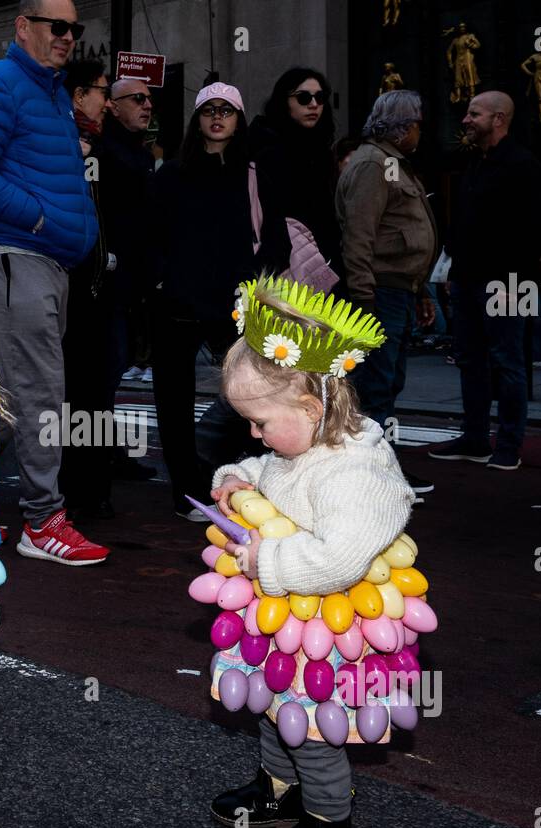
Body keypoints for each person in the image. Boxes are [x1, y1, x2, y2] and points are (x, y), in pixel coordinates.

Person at [207, 276, 414, 828]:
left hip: (336, 628)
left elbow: (339, 557)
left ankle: (330, 827)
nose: (255, 435)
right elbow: (265, 467)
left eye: (260, 423)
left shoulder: (356, 475)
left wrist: (263, 560)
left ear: (310, 408)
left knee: (317, 729)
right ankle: (280, 791)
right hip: (289, 617)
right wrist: (234, 477)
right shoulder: (295, 447)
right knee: (275, 705)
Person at [0, 0, 108, 566]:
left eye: (75, 28)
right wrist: (41, 217)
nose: (68, 37)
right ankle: (42, 519)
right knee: (41, 392)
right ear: (24, 27)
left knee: (19, 391)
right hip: (19, 254)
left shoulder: (50, 92)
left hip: (46, 262)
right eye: (57, 27)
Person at [147, 82, 285, 521]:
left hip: (239, 305)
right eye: (209, 109)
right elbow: (153, 239)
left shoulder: (254, 172)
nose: (218, 117)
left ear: (239, 118)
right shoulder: (171, 173)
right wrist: (164, 283)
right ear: (197, 119)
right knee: (174, 401)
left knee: (254, 393)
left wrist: (254, 288)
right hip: (179, 306)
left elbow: (276, 240)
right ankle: (186, 491)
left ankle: (246, 480)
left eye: (227, 110)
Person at [427, 91, 541, 472]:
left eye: (474, 114)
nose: (465, 120)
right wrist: (452, 272)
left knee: (508, 362)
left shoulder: (522, 164)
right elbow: (464, 222)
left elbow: (534, 230)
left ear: (498, 119)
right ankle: (476, 437)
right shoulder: (474, 163)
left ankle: (509, 444)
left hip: (506, 283)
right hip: (467, 280)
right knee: (471, 361)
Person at [335, 90, 438, 499]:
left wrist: (421, 289)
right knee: (375, 386)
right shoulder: (373, 165)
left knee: (386, 383)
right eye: (415, 124)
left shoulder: (389, 163)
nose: (418, 132)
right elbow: (358, 240)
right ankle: (368, 475)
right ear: (400, 126)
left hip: (397, 292)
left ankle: (376, 467)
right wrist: (364, 300)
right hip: (379, 296)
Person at [57, 59, 115, 520]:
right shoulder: (64, 142)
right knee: (74, 389)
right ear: (78, 95)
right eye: (101, 90)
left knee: (93, 389)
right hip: (71, 282)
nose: (107, 100)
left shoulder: (102, 142)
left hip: (96, 285)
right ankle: (74, 489)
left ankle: (90, 486)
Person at [248, 67, 343, 296]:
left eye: (320, 97)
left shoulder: (320, 151)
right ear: (285, 101)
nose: (313, 104)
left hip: (323, 267)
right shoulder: (266, 151)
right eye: (303, 97)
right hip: (285, 273)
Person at [104, 77, 157, 387]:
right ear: (114, 106)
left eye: (149, 99)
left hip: (140, 280)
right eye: (138, 98)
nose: (147, 105)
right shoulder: (102, 152)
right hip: (111, 278)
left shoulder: (144, 155)